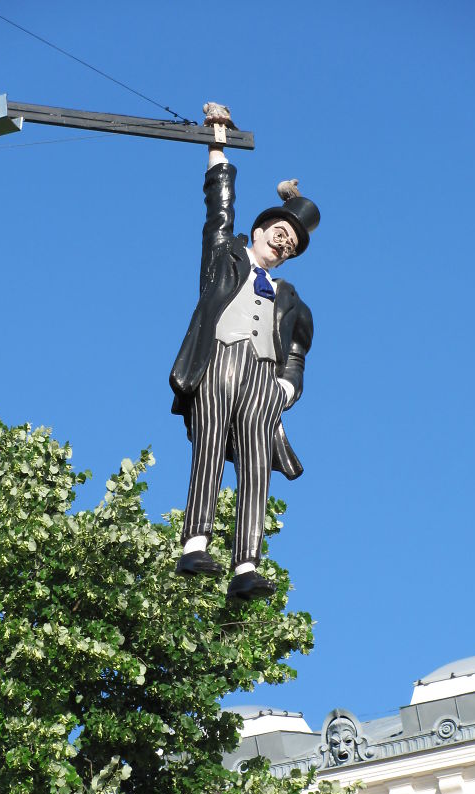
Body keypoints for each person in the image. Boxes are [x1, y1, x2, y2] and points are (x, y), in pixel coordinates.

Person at [170, 102, 320, 600]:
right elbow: (219, 208)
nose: (284, 245)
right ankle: (196, 542)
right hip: (220, 360)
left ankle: (246, 565)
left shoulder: (290, 299)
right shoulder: (225, 256)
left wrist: (287, 388)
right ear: (258, 233)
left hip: (262, 378)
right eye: (280, 235)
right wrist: (217, 145)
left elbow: (296, 351)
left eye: (291, 245)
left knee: (257, 461)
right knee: (210, 442)